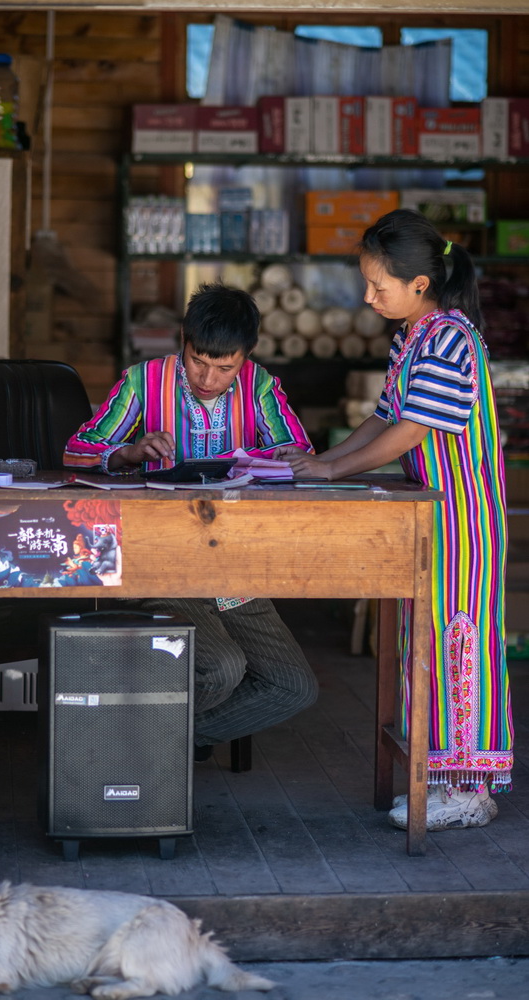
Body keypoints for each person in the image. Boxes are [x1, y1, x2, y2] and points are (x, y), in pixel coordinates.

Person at [276, 208, 512, 830]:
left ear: (419, 284)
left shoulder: (451, 338)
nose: (368, 295)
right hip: (428, 517)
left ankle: (470, 789)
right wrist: (320, 460)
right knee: (424, 644)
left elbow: (412, 431)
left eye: (378, 285)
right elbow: (384, 416)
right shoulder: (415, 337)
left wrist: (333, 473)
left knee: (462, 642)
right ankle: (437, 776)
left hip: (462, 519)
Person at [64, 282, 319, 759]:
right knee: (221, 667)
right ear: (183, 338)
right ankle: (142, 751)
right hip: (163, 567)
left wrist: (254, 459)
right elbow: (78, 451)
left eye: (225, 368)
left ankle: (149, 742)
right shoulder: (144, 380)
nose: (208, 377)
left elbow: (298, 453)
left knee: (294, 687)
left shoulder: (259, 384)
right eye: (198, 360)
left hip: (234, 569)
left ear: (247, 356)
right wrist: (129, 452)